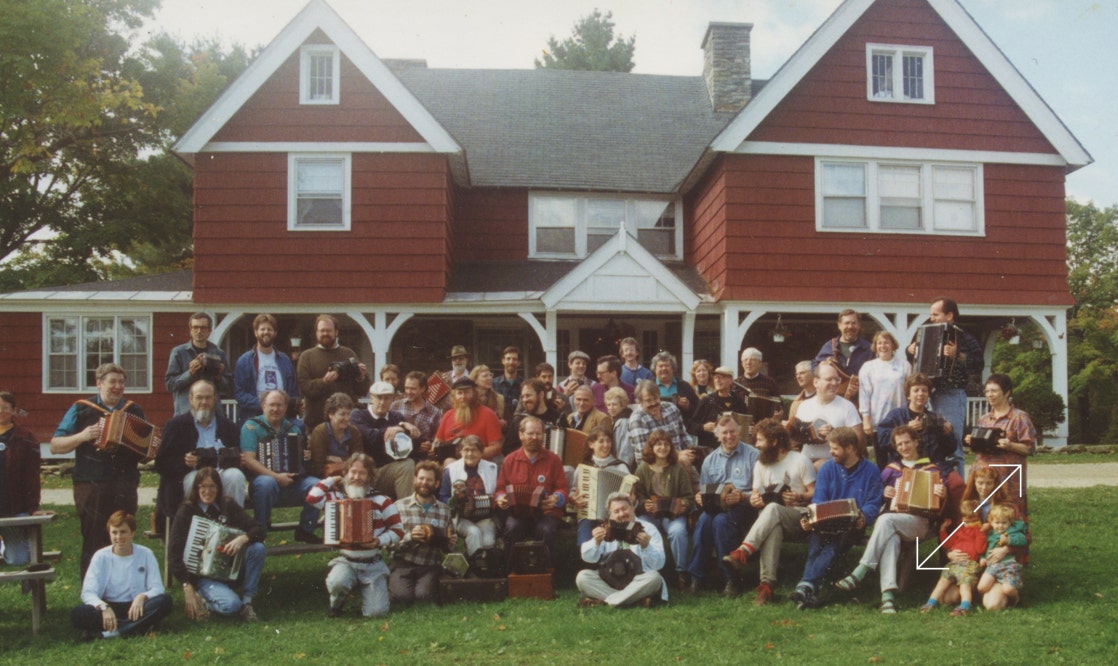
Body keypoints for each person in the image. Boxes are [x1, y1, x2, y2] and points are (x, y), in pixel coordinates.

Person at [834, 426, 948, 613]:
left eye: (907, 442)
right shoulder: (890, 470)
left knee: (886, 521)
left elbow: (941, 506)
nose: (904, 447)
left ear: (916, 442)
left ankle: (861, 570)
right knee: (891, 537)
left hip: (919, 524)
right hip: (895, 520)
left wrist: (941, 494)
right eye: (900, 444)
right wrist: (884, 492)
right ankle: (888, 598)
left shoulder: (931, 469)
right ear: (895, 447)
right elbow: (875, 495)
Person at [50, 363, 147, 578]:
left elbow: (144, 449)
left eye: (121, 382)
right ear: (99, 384)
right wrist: (83, 436)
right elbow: (56, 446)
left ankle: (124, 587)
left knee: (124, 537)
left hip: (124, 483)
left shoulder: (133, 410)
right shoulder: (82, 408)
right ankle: (91, 592)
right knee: (94, 538)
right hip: (91, 484)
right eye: (112, 382)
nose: (117, 386)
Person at [723, 418, 816, 605]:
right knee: (773, 524)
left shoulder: (799, 459)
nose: (756, 445)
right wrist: (755, 500)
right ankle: (766, 588)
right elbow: (756, 494)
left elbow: (813, 491)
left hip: (798, 517)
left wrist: (799, 496)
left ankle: (744, 551)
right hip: (769, 520)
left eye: (760, 440)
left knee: (773, 509)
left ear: (774, 442)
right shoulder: (761, 464)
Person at [789, 426, 883, 610]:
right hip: (826, 522)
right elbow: (819, 499)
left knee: (832, 547)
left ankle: (806, 584)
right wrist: (812, 518)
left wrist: (864, 516)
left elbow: (874, 502)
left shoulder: (870, 471)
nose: (831, 452)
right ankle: (809, 587)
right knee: (816, 543)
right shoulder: (827, 469)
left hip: (852, 525)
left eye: (835, 448)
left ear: (850, 448)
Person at [306, 453, 403, 618]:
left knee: (376, 613)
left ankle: (372, 597)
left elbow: (398, 530)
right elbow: (312, 498)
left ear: (370, 476)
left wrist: (379, 540)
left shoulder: (382, 500)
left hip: (373, 563)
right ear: (346, 473)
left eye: (362, 473)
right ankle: (336, 603)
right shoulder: (337, 498)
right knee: (337, 582)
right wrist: (331, 480)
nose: (356, 477)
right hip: (347, 560)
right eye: (353, 472)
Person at [168, 468, 266, 622]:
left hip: (231, 571)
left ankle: (247, 603)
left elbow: (259, 529)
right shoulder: (187, 511)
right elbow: (174, 554)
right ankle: (205, 603)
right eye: (202, 486)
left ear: (219, 488)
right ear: (196, 488)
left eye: (212, 486)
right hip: (204, 577)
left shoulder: (227, 505)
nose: (207, 491)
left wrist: (243, 538)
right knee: (231, 605)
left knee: (257, 549)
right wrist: (187, 585)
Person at [907, 297, 984, 477]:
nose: (931, 318)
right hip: (928, 394)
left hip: (951, 393)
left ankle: (958, 494)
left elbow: (978, 364)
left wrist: (959, 356)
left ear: (949, 316)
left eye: (936, 314)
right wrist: (909, 350)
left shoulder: (964, 336)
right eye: (931, 314)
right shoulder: (925, 333)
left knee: (953, 444)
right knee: (930, 444)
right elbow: (915, 361)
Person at [155, 380, 246, 530]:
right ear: (190, 399)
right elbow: (161, 464)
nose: (204, 402)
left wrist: (238, 459)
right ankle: (201, 530)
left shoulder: (228, 426)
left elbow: (237, 456)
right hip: (190, 475)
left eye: (208, 397)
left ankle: (232, 528)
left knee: (235, 476)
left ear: (215, 398)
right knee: (200, 481)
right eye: (199, 397)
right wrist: (184, 462)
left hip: (221, 473)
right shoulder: (176, 426)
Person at [686, 415, 760, 598]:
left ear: (740, 431)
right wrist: (700, 498)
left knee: (720, 522)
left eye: (732, 431)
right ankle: (697, 577)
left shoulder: (753, 455)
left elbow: (760, 491)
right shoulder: (710, 460)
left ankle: (731, 579)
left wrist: (743, 496)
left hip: (744, 507)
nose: (729, 436)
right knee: (704, 521)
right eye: (724, 433)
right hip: (716, 507)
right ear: (718, 435)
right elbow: (704, 490)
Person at [70, 511, 172, 640]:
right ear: (109, 534)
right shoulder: (100, 556)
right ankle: (138, 627)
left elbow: (158, 587)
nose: (118, 537)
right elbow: (88, 592)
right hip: (109, 607)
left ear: (132, 533)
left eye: (123, 532)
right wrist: (104, 607)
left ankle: (112, 632)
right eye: (114, 532)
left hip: (137, 607)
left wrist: (142, 597)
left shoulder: (146, 554)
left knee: (165, 601)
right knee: (78, 614)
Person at [239, 389, 321, 543]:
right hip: (262, 483)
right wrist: (277, 477)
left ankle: (305, 530)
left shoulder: (293, 429)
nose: (276, 409)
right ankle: (259, 531)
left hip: (291, 482)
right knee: (267, 483)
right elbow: (248, 460)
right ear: (263, 406)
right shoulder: (251, 426)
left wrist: (305, 457)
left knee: (316, 484)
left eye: (280, 405)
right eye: (272, 405)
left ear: (285, 407)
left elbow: (301, 463)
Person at [966, 373, 1036, 535]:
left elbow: (1030, 448)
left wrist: (1010, 445)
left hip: (1008, 477)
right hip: (983, 475)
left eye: (994, 391)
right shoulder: (984, 418)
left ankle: (1013, 548)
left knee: (1007, 512)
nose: (990, 394)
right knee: (980, 510)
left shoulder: (1020, 417)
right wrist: (972, 441)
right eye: (987, 391)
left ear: (1007, 393)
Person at [496, 416, 569, 563]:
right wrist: (501, 499)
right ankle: (511, 572)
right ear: (521, 435)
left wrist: (556, 498)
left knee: (546, 530)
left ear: (543, 435)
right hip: (518, 513)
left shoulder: (553, 460)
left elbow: (562, 489)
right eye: (530, 433)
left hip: (546, 513)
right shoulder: (510, 460)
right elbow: (500, 488)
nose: (534, 437)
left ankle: (547, 573)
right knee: (512, 528)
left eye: (538, 434)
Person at [575, 492, 666, 608]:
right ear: (610, 515)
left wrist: (647, 546)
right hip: (610, 580)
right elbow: (588, 558)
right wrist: (595, 542)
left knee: (654, 577)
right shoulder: (605, 529)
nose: (621, 514)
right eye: (616, 511)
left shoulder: (648, 529)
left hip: (637, 581)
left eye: (624, 509)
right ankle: (633, 601)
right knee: (582, 577)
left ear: (632, 508)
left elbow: (658, 565)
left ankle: (608, 601)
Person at [633, 430, 693, 590]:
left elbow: (688, 496)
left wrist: (683, 506)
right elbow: (635, 496)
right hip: (650, 514)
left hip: (673, 515)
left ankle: (682, 573)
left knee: (678, 532)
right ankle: (644, 570)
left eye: (666, 444)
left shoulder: (677, 468)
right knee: (642, 529)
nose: (663, 447)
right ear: (651, 447)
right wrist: (643, 504)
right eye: (658, 444)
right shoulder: (643, 468)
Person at [390, 461, 455, 604]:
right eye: (421, 478)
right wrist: (409, 537)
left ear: (437, 483)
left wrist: (450, 543)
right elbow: (388, 545)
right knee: (402, 598)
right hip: (403, 563)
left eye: (429, 480)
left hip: (429, 565)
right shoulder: (399, 506)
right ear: (414, 479)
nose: (424, 483)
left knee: (423, 597)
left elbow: (448, 548)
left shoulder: (444, 510)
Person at [0, 390, 52, 565]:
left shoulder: (26, 437)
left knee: (18, 559)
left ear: (14, 410)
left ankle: (5, 546)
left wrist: (33, 507)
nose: (1, 412)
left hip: (13, 508)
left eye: (5, 408)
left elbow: (32, 477)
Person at [297, 314, 370, 433]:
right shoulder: (307, 356)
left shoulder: (349, 354)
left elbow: (362, 391)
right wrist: (324, 381)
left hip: (345, 424)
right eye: (322, 330)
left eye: (329, 330)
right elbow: (304, 387)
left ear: (336, 332)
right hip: (316, 424)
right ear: (316, 333)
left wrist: (361, 376)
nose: (325, 333)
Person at [351, 381, 422, 500]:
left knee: (408, 463)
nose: (382, 402)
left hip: (390, 471)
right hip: (366, 471)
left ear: (392, 400)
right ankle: (407, 510)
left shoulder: (397, 418)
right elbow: (371, 436)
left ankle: (407, 512)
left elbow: (413, 445)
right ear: (371, 398)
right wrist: (399, 429)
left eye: (387, 398)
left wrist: (409, 431)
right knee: (406, 466)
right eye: (379, 398)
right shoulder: (359, 416)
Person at [790, 363, 863, 469]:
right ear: (816, 382)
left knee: (822, 466)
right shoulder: (804, 406)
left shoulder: (847, 406)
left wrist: (835, 435)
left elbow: (859, 442)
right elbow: (795, 441)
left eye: (837, 379)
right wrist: (789, 431)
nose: (834, 383)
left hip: (836, 464)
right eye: (829, 379)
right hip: (806, 463)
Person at [920, 498, 985, 616]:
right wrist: (942, 530)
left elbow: (980, 549)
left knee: (965, 585)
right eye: (965, 520)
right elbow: (947, 544)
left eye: (972, 521)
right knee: (942, 581)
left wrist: (980, 532)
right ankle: (930, 603)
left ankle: (965, 606)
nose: (968, 524)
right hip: (954, 564)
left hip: (969, 564)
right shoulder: (960, 529)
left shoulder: (977, 531)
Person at [875, 373, 954, 469]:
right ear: (908, 395)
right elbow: (882, 440)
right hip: (902, 466)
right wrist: (906, 429)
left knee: (957, 482)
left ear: (928, 394)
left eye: (924, 390)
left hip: (930, 466)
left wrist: (948, 433)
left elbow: (950, 449)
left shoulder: (935, 418)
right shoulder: (896, 415)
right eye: (916, 390)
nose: (920, 394)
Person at [569, 427, 629, 546]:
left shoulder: (620, 467)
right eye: (601, 441)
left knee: (614, 547)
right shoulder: (583, 468)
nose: (606, 445)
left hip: (615, 516)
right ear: (591, 444)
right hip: (588, 515)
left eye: (608, 441)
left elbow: (631, 498)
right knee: (585, 545)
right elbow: (573, 492)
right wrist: (573, 499)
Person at [439, 436, 498, 556]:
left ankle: (486, 567)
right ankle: (475, 567)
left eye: (474, 450)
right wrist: (455, 501)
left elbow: (498, 491)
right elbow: (443, 496)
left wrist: (496, 500)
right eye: (466, 450)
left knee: (488, 541)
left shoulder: (492, 468)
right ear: (460, 452)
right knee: (474, 533)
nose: (470, 454)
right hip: (461, 518)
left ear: (481, 452)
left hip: (485, 517)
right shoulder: (450, 470)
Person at [234, 313, 298, 423]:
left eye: (270, 329)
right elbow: (239, 393)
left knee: (298, 430)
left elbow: (293, 391)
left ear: (275, 333)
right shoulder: (244, 361)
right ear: (255, 332)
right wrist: (265, 404)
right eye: (262, 329)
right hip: (254, 417)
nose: (266, 332)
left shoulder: (285, 360)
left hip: (282, 418)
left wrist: (286, 404)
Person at [165, 312, 232, 416]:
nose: (199, 331)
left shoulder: (218, 353)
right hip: (185, 414)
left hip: (212, 414)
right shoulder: (178, 352)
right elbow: (170, 385)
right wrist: (190, 374)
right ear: (190, 330)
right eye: (195, 327)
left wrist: (218, 377)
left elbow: (228, 387)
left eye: (203, 328)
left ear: (209, 331)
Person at [433, 377, 504, 462]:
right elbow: (437, 442)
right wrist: (434, 451)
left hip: (479, 462)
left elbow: (496, 447)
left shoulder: (489, 415)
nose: (463, 397)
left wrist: (472, 455)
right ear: (454, 396)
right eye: (459, 393)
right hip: (450, 463)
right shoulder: (447, 415)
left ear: (474, 393)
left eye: (467, 392)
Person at [857, 330, 911, 440]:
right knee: (880, 456)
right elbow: (864, 395)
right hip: (878, 420)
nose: (883, 346)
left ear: (893, 345)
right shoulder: (868, 367)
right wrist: (866, 419)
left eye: (886, 342)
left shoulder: (904, 365)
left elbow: (910, 391)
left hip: (900, 420)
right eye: (879, 343)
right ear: (875, 346)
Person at [811, 309, 874, 403]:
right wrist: (820, 367)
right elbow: (814, 366)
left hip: (860, 404)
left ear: (859, 325)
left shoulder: (869, 349)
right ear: (839, 325)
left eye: (854, 323)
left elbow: (876, 378)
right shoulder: (829, 346)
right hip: (833, 402)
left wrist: (860, 389)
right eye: (846, 323)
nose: (850, 326)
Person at [627, 380, 694, 468]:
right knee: (684, 461)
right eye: (648, 401)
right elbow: (645, 453)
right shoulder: (637, 419)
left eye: (655, 398)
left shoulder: (672, 409)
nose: (653, 403)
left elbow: (683, 435)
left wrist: (691, 450)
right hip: (653, 466)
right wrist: (677, 455)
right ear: (640, 402)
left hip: (680, 461)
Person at [977, 503, 1028, 610]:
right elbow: (985, 548)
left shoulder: (1012, 532)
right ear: (991, 522)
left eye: (1004, 523)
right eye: (997, 523)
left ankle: (1016, 598)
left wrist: (1009, 540)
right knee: (981, 587)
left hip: (1008, 566)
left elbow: (1023, 540)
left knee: (1008, 589)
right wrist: (982, 557)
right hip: (992, 566)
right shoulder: (990, 534)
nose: (1000, 526)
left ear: (1010, 522)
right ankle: (995, 590)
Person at [688, 365, 748, 450]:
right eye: (716, 377)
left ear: (731, 380)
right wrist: (703, 427)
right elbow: (690, 425)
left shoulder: (738, 402)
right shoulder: (706, 401)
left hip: (734, 448)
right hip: (711, 448)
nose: (717, 380)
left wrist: (749, 428)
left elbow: (746, 424)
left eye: (722, 377)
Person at [306, 392, 363, 478]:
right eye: (342, 414)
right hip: (324, 478)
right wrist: (347, 460)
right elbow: (318, 467)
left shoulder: (354, 432)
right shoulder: (320, 432)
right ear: (330, 414)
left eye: (348, 414)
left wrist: (338, 460)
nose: (347, 418)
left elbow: (358, 462)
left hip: (351, 477)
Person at [505, 378, 563, 456]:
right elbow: (507, 449)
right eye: (523, 397)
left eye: (528, 395)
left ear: (541, 395)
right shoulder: (519, 419)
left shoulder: (558, 418)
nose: (525, 400)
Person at [390, 371, 443, 453]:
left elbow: (438, 438)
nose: (408, 392)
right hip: (397, 453)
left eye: (413, 389)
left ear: (423, 389)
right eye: (407, 388)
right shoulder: (395, 406)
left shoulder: (434, 412)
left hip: (421, 456)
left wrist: (431, 445)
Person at [651, 351, 699, 420]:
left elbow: (697, 410)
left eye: (667, 365)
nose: (664, 368)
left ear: (673, 368)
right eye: (660, 366)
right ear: (655, 369)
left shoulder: (685, 386)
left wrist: (688, 406)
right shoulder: (648, 387)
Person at [604, 386, 635, 469]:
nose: (611, 408)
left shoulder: (624, 422)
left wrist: (622, 469)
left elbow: (626, 451)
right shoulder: (616, 419)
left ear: (622, 405)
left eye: (614, 404)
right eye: (608, 405)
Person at [492, 346, 523, 419]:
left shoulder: (524, 385)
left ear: (518, 363)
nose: (511, 362)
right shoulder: (493, 384)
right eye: (508, 359)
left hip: (519, 426)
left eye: (514, 359)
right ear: (503, 361)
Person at [784, 361, 815, 426]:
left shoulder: (823, 397)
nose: (798, 377)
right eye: (796, 374)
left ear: (813, 374)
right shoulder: (796, 402)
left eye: (802, 373)